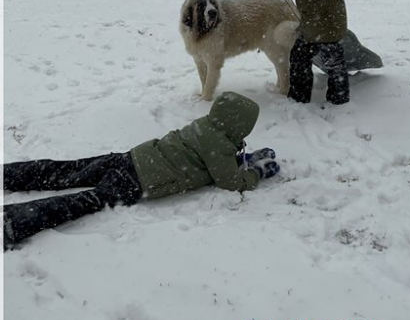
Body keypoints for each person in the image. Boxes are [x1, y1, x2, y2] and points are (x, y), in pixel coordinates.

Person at [3, 92, 280, 251]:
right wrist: (255, 172)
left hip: (131, 157)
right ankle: (13, 221)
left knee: (69, 170)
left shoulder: (205, 125)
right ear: (237, 127)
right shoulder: (218, 146)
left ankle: (9, 174)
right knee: (85, 201)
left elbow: (209, 157)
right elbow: (231, 182)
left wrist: (242, 157)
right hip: (138, 180)